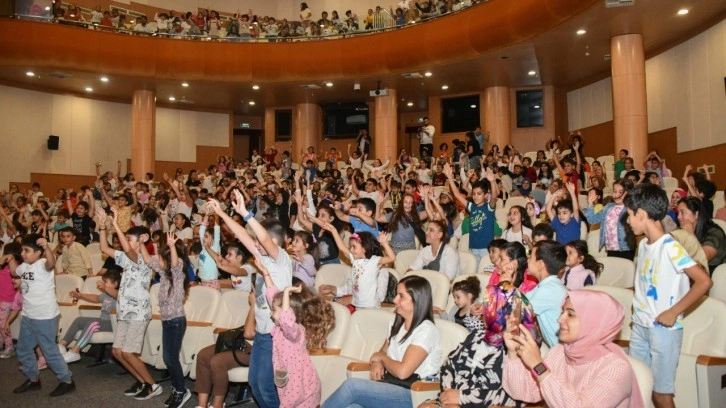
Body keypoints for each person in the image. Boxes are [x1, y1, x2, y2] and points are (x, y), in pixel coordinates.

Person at [625, 184, 712, 408]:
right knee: (638, 386)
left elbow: (703, 282)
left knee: (661, 394)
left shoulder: (671, 247)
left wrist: (674, 311)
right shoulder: (644, 245)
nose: (628, 221)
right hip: (641, 326)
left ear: (642, 214)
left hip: (663, 332)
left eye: (629, 215)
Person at [423, 242, 539, 408]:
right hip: (452, 399)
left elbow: (507, 393)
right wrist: (448, 394)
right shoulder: (477, 335)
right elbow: (449, 364)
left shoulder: (514, 349)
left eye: (491, 307)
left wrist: (461, 398)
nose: (485, 310)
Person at [208, 191, 292, 408]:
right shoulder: (262, 255)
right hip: (263, 333)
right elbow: (243, 237)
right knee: (256, 383)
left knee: (267, 387)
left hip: (277, 333)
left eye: (260, 239)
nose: (255, 242)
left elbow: (262, 237)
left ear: (273, 241)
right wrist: (222, 213)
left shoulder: (281, 259)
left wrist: (246, 213)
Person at [502, 291, 646, 408]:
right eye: (563, 312)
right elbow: (526, 393)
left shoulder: (616, 368)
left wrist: (538, 366)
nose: (559, 319)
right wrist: (513, 353)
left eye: (570, 314)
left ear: (593, 321)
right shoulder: (560, 351)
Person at [323, 276, 441, 408]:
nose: (395, 300)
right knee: (353, 407)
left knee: (352, 386)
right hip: (391, 385)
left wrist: (382, 358)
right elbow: (381, 353)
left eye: (401, 296)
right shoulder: (397, 323)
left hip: (414, 393)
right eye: (396, 294)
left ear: (417, 301)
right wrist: (378, 362)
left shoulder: (426, 330)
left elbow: (403, 372)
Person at [96, 208, 161, 400]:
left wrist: (115, 224)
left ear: (142, 239)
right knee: (117, 351)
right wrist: (102, 227)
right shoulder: (126, 259)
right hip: (125, 311)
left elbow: (128, 251)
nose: (127, 243)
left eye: (130, 239)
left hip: (139, 312)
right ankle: (141, 381)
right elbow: (104, 249)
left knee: (128, 351)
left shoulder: (146, 260)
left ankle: (152, 384)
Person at [256, 258, 334, 408]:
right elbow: (272, 295)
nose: (272, 314)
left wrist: (286, 291)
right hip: (289, 381)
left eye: (275, 311)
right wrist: (266, 274)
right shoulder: (281, 329)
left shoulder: (294, 333)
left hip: (303, 391)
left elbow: (295, 392)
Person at [8, 234, 76, 397]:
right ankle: (33, 380)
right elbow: (13, 271)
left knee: (49, 351)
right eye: (22, 250)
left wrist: (46, 247)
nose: (23, 254)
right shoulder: (24, 266)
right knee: (23, 349)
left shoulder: (42, 264)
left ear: (38, 252)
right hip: (28, 315)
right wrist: (10, 257)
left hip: (45, 316)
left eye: (27, 250)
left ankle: (67, 381)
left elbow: (51, 263)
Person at [141, 232, 191, 408]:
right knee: (168, 357)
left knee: (171, 358)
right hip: (167, 320)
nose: (156, 259)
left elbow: (175, 263)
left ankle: (181, 391)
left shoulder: (177, 270)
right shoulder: (163, 272)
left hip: (176, 320)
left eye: (160, 254)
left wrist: (170, 246)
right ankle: (178, 389)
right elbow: (148, 260)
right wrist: (141, 244)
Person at [318, 228, 394, 311]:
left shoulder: (374, 262)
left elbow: (392, 258)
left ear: (365, 248)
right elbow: (341, 247)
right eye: (350, 247)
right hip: (358, 306)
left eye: (354, 247)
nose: (351, 250)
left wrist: (384, 243)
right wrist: (333, 231)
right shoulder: (355, 262)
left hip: (371, 307)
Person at [58, 269, 120, 363]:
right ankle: (62, 346)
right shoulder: (105, 294)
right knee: (79, 320)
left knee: (93, 324)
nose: (103, 284)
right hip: (103, 321)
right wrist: (80, 295)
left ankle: (75, 351)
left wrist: (105, 288)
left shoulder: (121, 293)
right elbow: (96, 298)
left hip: (114, 324)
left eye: (105, 282)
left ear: (115, 283)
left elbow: (117, 295)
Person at [445, 164, 498, 266]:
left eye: (479, 194)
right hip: (473, 248)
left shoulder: (488, 207)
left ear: (486, 195)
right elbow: (457, 195)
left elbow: (494, 197)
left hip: (486, 249)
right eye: (473, 194)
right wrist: (450, 178)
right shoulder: (471, 207)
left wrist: (492, 181)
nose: (475, 197)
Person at [525, 240, 568, 348]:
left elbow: (521, 310)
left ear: (540, 265)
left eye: (530, 257)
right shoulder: (547, 286)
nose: (528, 260)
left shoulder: (549, 290)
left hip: (564, 353)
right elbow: (522, 299)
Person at [583, 179, 636, 260]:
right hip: (610, 248)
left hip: (626, 248)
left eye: (620, 192)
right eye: (615, 191)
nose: (616, 194)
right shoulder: (608, 207)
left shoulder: (631, 208)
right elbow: (592, 220)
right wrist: (590, 204)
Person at [676, 196, 725, 274]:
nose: (678, 217)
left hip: (713, 277)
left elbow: (702, 258)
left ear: (696, 214)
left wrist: (690, 236)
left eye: (683, 212)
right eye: (678, 213)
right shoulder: (680, 231)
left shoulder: (714, 232)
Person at [546, 182, 581, 246]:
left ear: (572, 214)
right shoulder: (557, 223)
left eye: (565, 213)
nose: (561, 215)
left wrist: (572, 193)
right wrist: (554, 195)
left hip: (573, 252)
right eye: (559, 213)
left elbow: (576, 209)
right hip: (561, 253)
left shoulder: (574, 222)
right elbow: (548, 210)